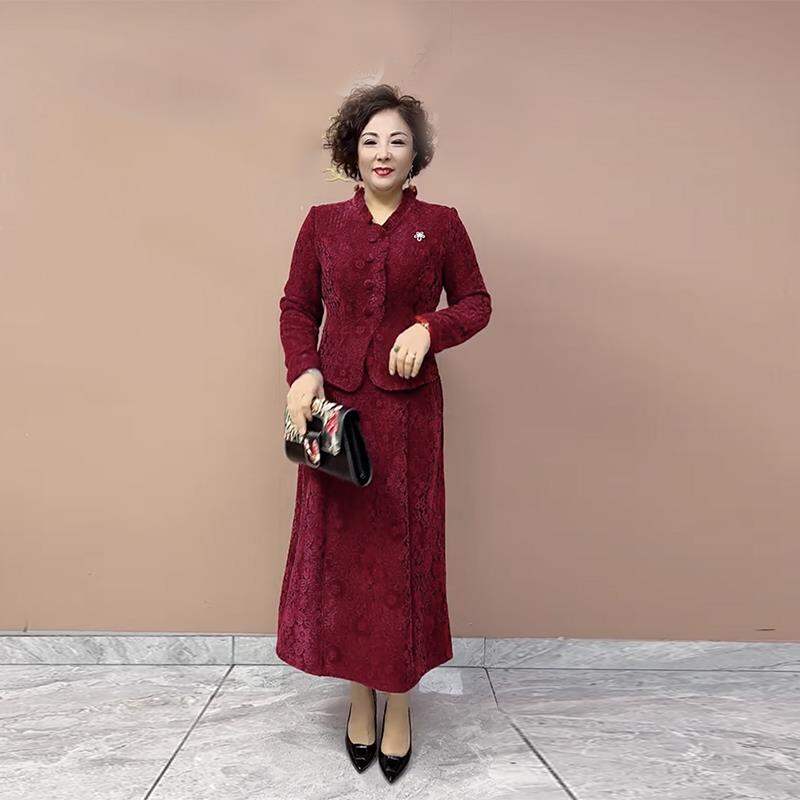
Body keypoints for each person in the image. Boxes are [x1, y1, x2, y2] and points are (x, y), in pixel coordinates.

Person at [276, 83, 492, 783]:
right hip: (337, 414)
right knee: (345, 559)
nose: (383, 152)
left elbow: (477, 303)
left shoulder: (442, 225)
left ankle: (398, 701)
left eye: (397, 140)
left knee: (402, 557)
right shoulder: (321, 224)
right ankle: (358, 696)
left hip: (408, 417)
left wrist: (430, 327)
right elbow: (296, 308)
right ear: (353, 150)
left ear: (414, 152)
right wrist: (304, 371)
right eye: (371, 139)